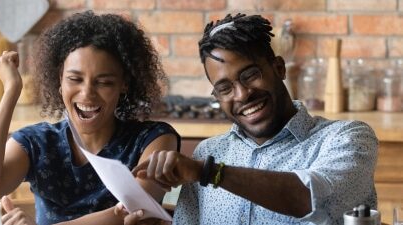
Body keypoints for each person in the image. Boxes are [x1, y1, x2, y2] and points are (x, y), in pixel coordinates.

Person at [125, 13, 378, 225]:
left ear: (279, 68)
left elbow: (309, 198)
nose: (243, 94)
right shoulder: (210, 151)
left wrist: (210, 172)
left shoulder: (347, 138)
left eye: (250, 75)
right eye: (225, 88)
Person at [0, 11, 180, 225]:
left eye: (104, 82)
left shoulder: (154, 139)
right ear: (59, 80)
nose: (87, 93)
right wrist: (11, 91)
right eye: (74, 79)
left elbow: (136, 210)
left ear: (124, 84)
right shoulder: (38, 143)